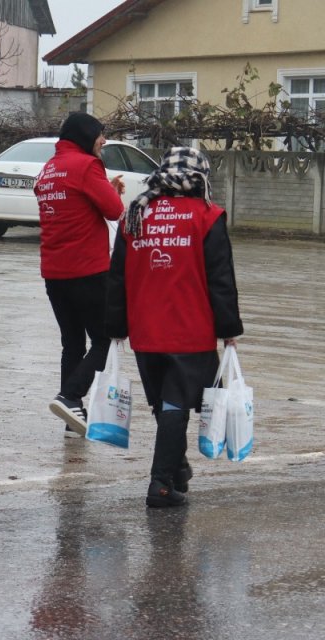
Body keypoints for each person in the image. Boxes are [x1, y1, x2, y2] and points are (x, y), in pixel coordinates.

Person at [107, 147, 242, 508]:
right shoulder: (208, 217)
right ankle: (161, 483)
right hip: (189, 331)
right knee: (174, 406)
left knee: (167, 406)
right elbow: (221, 280)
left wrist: (117, 326)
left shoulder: (135, 215)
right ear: (200, 179)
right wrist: (229, 328)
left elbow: (117, 276)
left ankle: (177, 468)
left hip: (145, 332)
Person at [33, 112, 126, 436]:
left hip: (54, 273)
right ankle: (70, 396)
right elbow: (115, 210)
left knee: (71, 343)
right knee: (107, 339)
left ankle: (73, 417)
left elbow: (74, 204)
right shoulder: (87, 166)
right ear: (86, 135)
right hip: (88, 270)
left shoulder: (49, 169)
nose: (103, 141)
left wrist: (104, 188)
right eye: (100, 135)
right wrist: (111, 191)